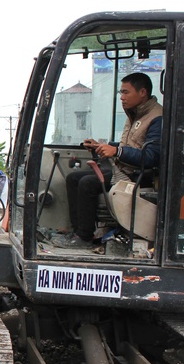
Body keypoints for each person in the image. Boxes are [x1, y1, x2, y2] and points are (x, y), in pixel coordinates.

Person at [58, 72, 163, 249]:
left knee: (87, 183)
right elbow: (131, 145)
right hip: (124, 169)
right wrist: (102, 146)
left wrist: (117, 151)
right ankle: (78, 233)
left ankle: (84, 237)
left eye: (125, 92)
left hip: (138, 175)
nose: (121, 98)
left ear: (142, 92)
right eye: (120, 93)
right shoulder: (136, 113)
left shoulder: (157, 118)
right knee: (73, 178)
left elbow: (152, 157)